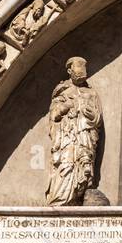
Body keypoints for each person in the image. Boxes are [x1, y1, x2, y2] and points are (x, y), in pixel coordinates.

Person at [44, 57, 102, 205]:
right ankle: (61, 199)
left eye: (84, 70)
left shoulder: (92, 93)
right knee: (66, 165)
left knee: (85, 163)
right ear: (69, 71)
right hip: (67, 136)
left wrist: (90, 114)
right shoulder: (62, 91)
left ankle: (81, 194)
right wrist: (66, 106)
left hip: (85, 135)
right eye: (78, 69)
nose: (82, 73)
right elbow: (54, 115)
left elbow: (97, 118)